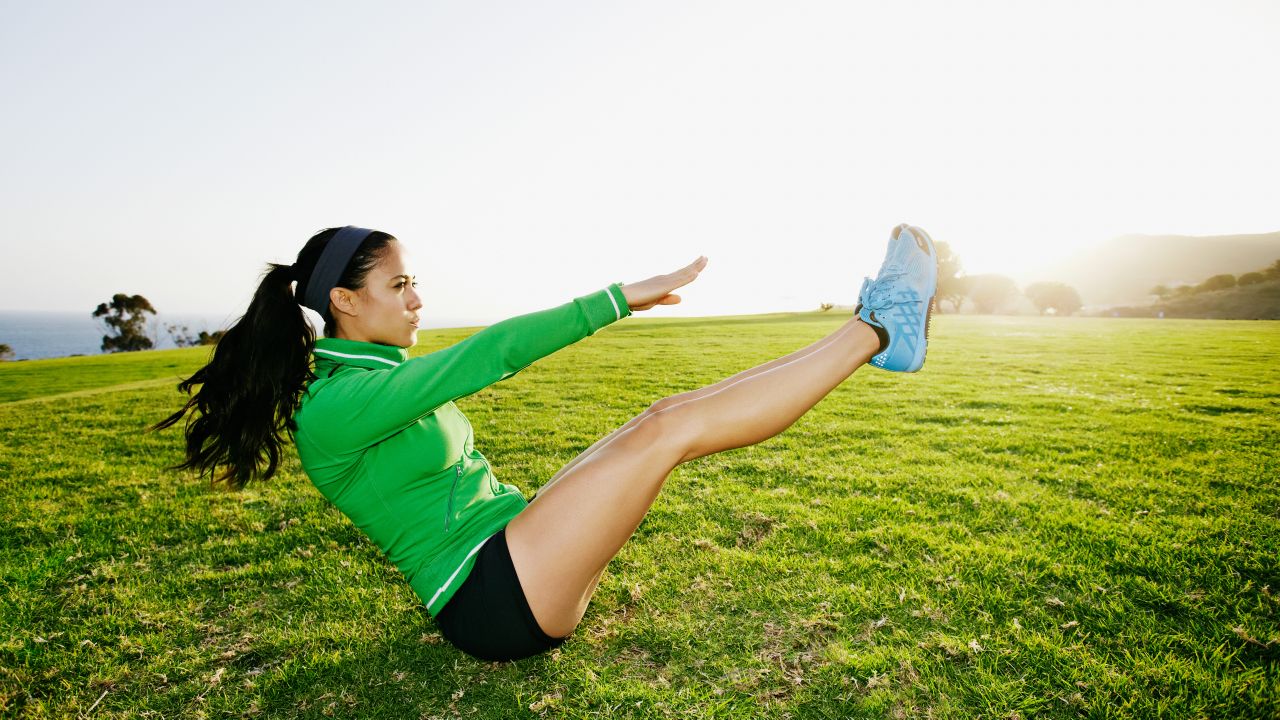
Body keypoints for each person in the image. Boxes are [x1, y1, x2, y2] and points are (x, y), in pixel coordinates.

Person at [154, 223, 937, 662]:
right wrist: (615, 300)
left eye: (411, 280)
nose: (418, 299)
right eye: (399, 286)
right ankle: (877, 328)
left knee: (660, 414)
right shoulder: (338, 403)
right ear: (343, 302)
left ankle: (877, 327)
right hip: (491, 599)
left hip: (515, 553)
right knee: (668, 433)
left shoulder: (367, 378)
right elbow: (485, 355)